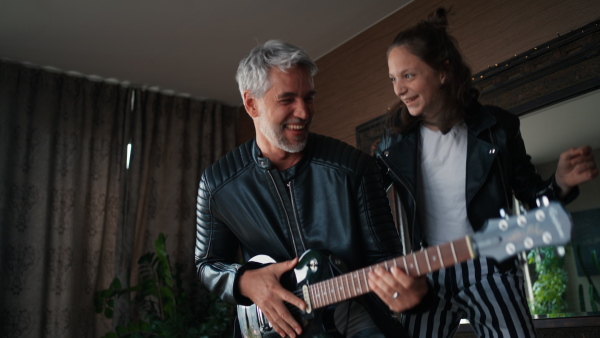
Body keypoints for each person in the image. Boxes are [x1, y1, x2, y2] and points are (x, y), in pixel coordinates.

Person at [370, 8, 599, 338]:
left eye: (408, 76)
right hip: (427, 269)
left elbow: (535, 200)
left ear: (443, 72)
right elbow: (365, 207)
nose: (399, 90)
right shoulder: (393, 145)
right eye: (393, 79)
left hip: (490, 263)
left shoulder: (499, 128)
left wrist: (560, 183)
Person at [195, 40, 430, 338]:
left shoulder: (355, 169)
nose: (304, 112)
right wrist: (243, 282)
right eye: (287, 99)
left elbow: (386, 263)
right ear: (251, 104)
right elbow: (207, 264)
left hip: (355, 321)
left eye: (309, 97)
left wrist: (411, 296)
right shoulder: (217, 183)